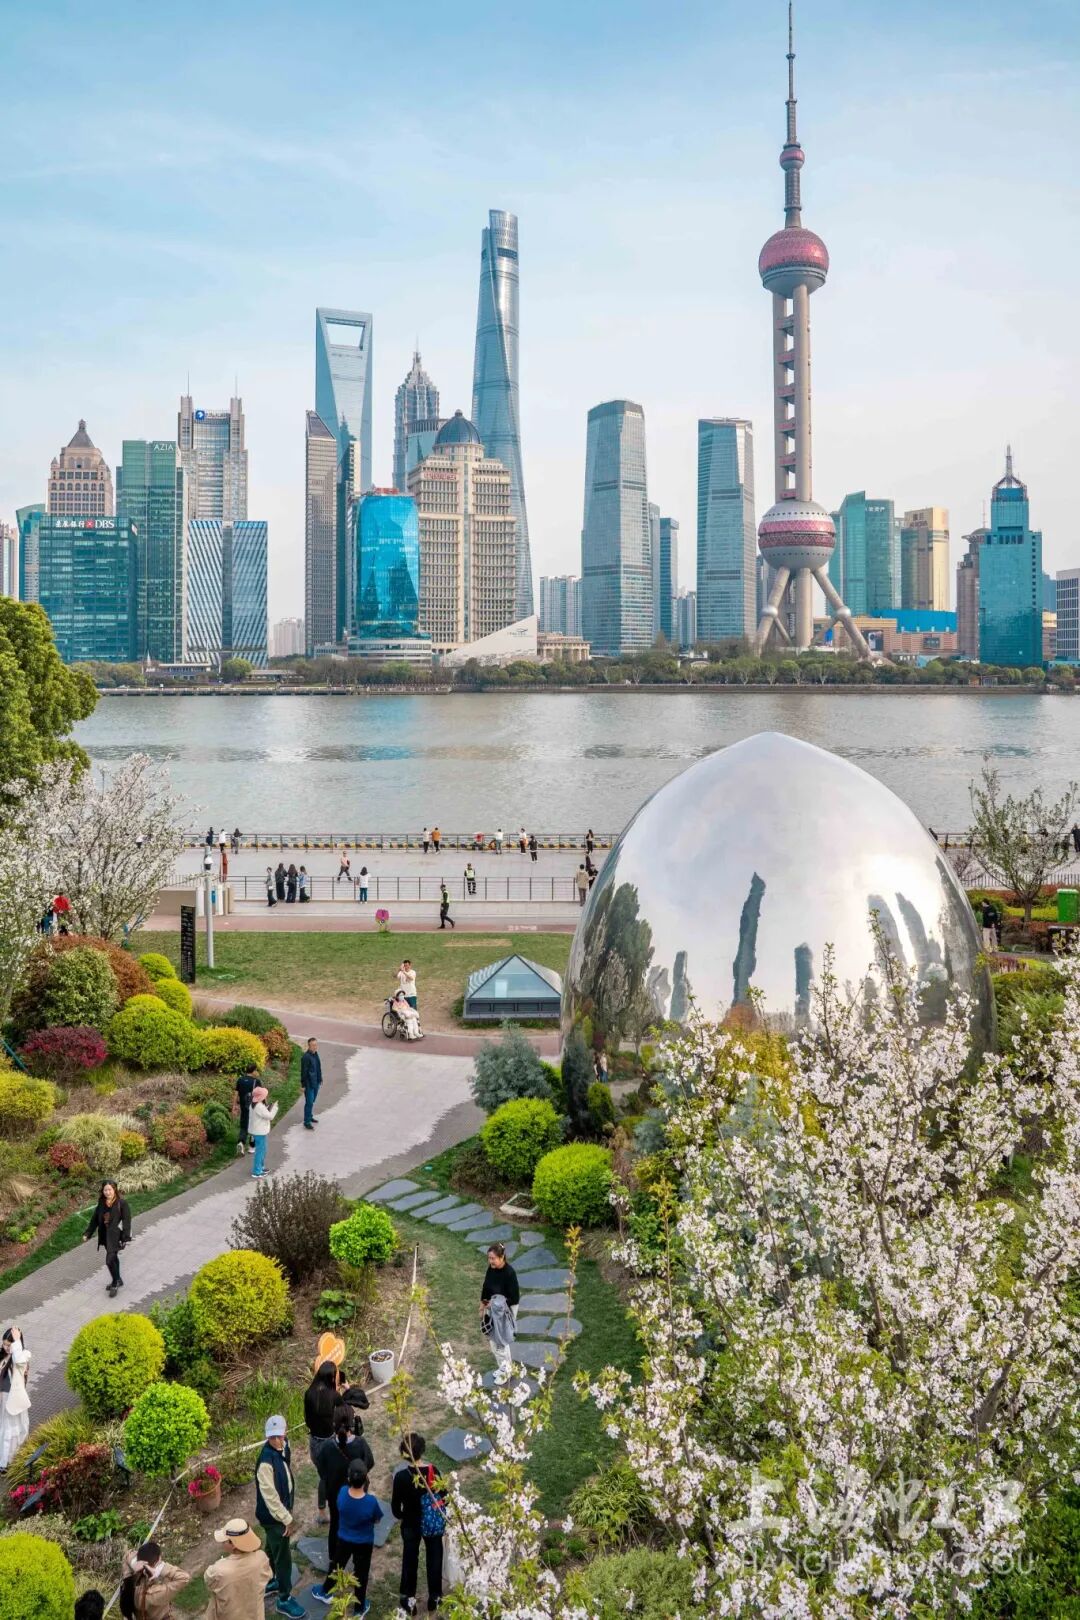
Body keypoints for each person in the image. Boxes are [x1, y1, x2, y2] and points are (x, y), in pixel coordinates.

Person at [309, 1402, 375, 1604]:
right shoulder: (361, 1444)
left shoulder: (328, 1447)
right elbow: (369, 1463)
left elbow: (321, 1470)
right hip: (357, 1497)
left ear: (334, 1424)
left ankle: (333, 1560)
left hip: (334, 1496)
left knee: (336, 1527)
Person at [254, 1416, 305, 1619]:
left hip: (279, 1514)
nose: (277, 1440)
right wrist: (287, 1519)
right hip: (274, 1517)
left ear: (285, 1433)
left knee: (271, 1547)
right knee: (283, 1556)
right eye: (272, 1437)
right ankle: (284, 1598)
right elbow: (271, 1498)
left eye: (279, 1436)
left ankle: (270, 1580)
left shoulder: (284, 1446)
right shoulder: (265, 1463)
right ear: (268, 1438)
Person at [391, 1432, 445, 1616]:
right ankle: (435, 1597)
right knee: (434, 1558)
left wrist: (402, 1515)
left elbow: (395, 1508)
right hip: (432, 1523)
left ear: (404, 1453)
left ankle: (409, 1599)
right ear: (422, 1450)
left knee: (410, 1560)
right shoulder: (434, 1471)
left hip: (410, 1523)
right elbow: (444, 1497)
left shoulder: (401, 1477)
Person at [330, 1460, 382, 1612]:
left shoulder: (342, 1493)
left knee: (338, 1565)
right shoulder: (371, 1502)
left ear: (348, 1478)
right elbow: (377, 1519)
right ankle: (359, 1608)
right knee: (361, 1574)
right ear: (366, 1479)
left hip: (344, 1538)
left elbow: (340, 1507)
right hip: (364, 1542)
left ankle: (328, 1589)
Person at [205, 1519, 273, 1620]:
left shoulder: (219, 1570)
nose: (222, 1543)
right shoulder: (261, 1558)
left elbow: (208, 1581)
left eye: (224, 1540)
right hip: (255, 1615)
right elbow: (267, 1575)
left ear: (233, 1545)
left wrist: (224, 1562)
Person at [304, 1360, 342, 1519]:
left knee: (323, 1476)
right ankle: (331, 1507)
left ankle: (321, 1511)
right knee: (332, 1476)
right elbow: (343, 1410)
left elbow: (307, 1420)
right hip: (330, 1441)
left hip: (314, 1442)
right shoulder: (333, 1395)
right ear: (331, 1378)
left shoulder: (309, 1393)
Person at [118, 1539, 190, 1619]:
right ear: (158, 1560)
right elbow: (184, 1578)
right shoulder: (154, 1593)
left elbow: (127, 1554)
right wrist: (161, 1567)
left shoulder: (132, 1581)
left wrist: (135, 1564)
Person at [83, 1180, 131, 1296]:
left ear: (114, 1190)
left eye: (110, 1189)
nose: (108, 1192)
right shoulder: (101, 1203)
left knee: (109, 1260)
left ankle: (115, 1283)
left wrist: (125, 1237)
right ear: (102, 1191)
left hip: (116, 1237)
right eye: (105, 1190)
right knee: (113, 1258)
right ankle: (118, 1279)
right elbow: (94, 1219)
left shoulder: (122, 1203)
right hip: (105, 1236)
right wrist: (88, 1233)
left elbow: (127, 1222)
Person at [480, 1242, 520, 1381]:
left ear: (502, 1257)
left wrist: (496, 1304)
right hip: (492, 1309)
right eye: (489, 1258)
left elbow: (514, 1298)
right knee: (496, 1342)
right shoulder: (491, 1269)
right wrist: (483, 1305)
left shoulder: (510, 1273)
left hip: (506, 1311)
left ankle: (505, 1372)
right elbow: (486, 1287)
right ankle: (506, 1368)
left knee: (499, 1343)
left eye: (493, 1258)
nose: (490, 1261)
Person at [0, 1328, 31, 1469]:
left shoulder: (22, 1356)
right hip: (3, 1399)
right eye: (4, 1344)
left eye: (8, 1344)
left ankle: (6, 1462)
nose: (6, 1347)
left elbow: (19, 1360)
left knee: (11, 1429)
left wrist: (17, 1341)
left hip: (11, 1400)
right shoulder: (3, 1356)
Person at [249, 1087, 278, 1178]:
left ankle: (261, 1167)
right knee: (260, 1152)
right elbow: (270, 1116)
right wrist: (275, 1108)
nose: (266, 1097)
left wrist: (267, 1108)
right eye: (265, 1096)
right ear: (261, 1097)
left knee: (263, 1150)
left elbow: (262, 1113)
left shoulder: (255, 1104)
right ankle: (257, 1171)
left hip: (258, 1131)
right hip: (259, 1132)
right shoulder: (259, 1106)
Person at [235, 1062, 257, 1157]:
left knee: (244, 1126)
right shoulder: (256, 1081)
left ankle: (241, 1143)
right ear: (254, 1071)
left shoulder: (240, 1080)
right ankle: (252, 1147)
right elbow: (261, 1095)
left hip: (244, 1107)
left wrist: (234, 1106)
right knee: (253, 1126)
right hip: (253, 1108)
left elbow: (235, 1094)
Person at [301, 1037, 322, 1130]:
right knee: (309, 1102)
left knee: (312, 1101)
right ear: (309, 1046)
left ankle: (310, 1116)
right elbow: (303, 1072)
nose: (315, 1047)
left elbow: (318, 1068)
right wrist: (303, 1085)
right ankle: (307, 1122)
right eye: (313, 1045)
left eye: (316, 1045)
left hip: (316, 1082)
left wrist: (320, 1078)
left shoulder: (315, 1054)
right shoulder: (306, 1057)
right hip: (309, 1084)